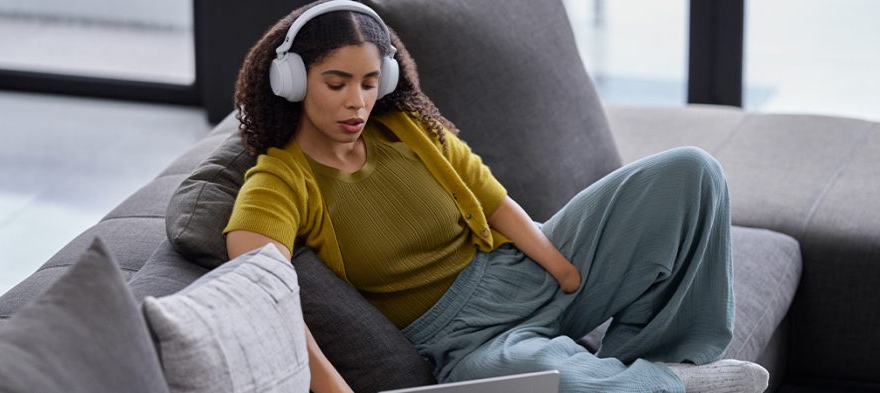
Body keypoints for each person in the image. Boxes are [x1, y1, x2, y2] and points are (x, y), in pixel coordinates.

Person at [223, 1, 770, 392]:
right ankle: (672, 384)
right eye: (336, 83)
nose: (357, 102)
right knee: (558, 380)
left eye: (369, 82)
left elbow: (492, 200)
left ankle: (669, 359)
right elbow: (265, 294)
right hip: (460, 343)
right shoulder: (280, 180)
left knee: (693, 172)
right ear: (291, 81)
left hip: (516, 273)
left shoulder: (410, 131)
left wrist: (562, 269)